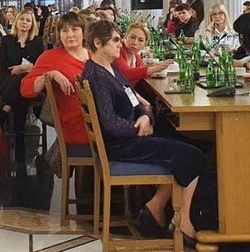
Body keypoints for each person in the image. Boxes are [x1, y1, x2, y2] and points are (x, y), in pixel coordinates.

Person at [81, 20, 204, 241]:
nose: (120, 44)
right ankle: (182, 221)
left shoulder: (110, 67)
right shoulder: (96, 75)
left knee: (183, 147)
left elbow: (133, 98)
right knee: (192, 155)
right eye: (115, 40)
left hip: (130, 137)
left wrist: (145, 117)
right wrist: (138, 129)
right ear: (98, 43)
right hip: (121, 145)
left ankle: (155, 207)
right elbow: (109, 123)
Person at [21, 12, 90, 147]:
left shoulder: (94, 56)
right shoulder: (51, 57)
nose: (70, 34)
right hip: (79, 124)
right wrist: (50, 75)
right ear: (59, 34)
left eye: (75, 29)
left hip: (98, 118)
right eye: (64, 30)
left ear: (83, 32)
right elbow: (26, 89)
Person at [0, 8, 45, 150]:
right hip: (8, 78)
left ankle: (6, 109)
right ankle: (20, 132)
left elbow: (41, 64)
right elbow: (3, 63)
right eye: (22, 19)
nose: (24, 22)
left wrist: (23, 68)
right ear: (16, 21)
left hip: (28, 80)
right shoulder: (7, 40)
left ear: (32, 24)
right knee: (22, 85)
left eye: (28, 20)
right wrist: (19, 69)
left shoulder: (37, 41)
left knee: (23, 82)